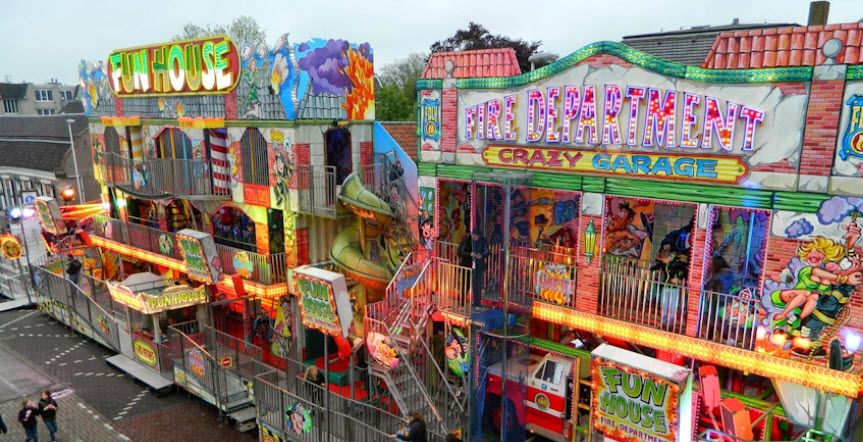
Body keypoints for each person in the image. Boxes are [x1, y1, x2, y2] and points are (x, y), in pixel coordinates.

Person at [471, 228, 490, 301]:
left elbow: (487, 252)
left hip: (480, 265)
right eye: (473, 236)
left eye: (476, 237)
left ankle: (477, 302)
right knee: (473, 283)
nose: (474, 238)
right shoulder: (471, 241)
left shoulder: (482, 242)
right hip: (472, 264)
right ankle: (474, 300)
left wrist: (481, 255)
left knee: (478, 284)